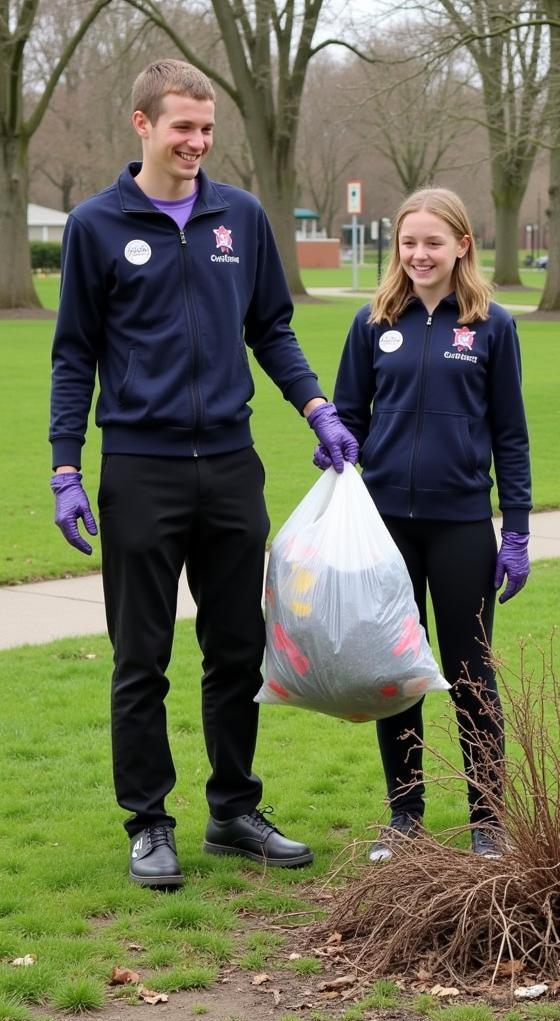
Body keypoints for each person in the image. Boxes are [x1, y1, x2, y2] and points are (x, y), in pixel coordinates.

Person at [48, 59, 359, 890]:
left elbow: (273, 331)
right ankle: (149, 823)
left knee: (237, 645)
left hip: (230, 466)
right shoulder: (95, 226)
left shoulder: (241, 218)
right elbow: (73, 354)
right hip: (141, 469)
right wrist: (65, 467)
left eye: (207, 127)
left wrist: (317, 407)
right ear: (142, 125)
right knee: (140, 656)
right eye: (182, 126)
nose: (198, 142)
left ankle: (233, 811)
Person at [318, 187, 531, 862]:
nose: (418, 255)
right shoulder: (372, 321)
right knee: (396, 671)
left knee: (471, 674)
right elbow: (348, 412)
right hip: (387, 529)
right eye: (408, 243)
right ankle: (404, 815)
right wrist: (334, 443)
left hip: (462, 523)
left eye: (433, 242)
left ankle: (488, 819)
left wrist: (518, 528)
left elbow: (511, 434)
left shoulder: (492, 327)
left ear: (462, 245)